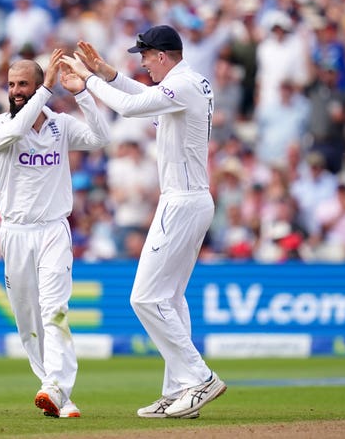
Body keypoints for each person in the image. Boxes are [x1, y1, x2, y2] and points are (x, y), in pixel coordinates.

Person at [61, 25, 226, 419]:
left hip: (182, 201)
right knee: (169, 298)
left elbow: (131, 108)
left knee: (145, 298)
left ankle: (199, 378)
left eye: (146, 56)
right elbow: (146, 96)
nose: (144, 63)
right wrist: (106, 73)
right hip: (189, 199)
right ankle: (179, 388)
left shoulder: (184, 84)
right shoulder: (192, 82)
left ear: (163, 55)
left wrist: (86, 83)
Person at [0, 48, 110, 418]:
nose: (16, 90)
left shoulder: (60, 125)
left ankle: (54, 386)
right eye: (11, 84)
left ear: (39, 85)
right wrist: (46, 92)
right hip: (15, 233)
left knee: (54, 310)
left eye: (23, 83)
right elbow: (18, 128)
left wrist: (82, 92)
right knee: (28, 321)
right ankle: (57, 393)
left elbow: (100, 137)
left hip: (54, 230)